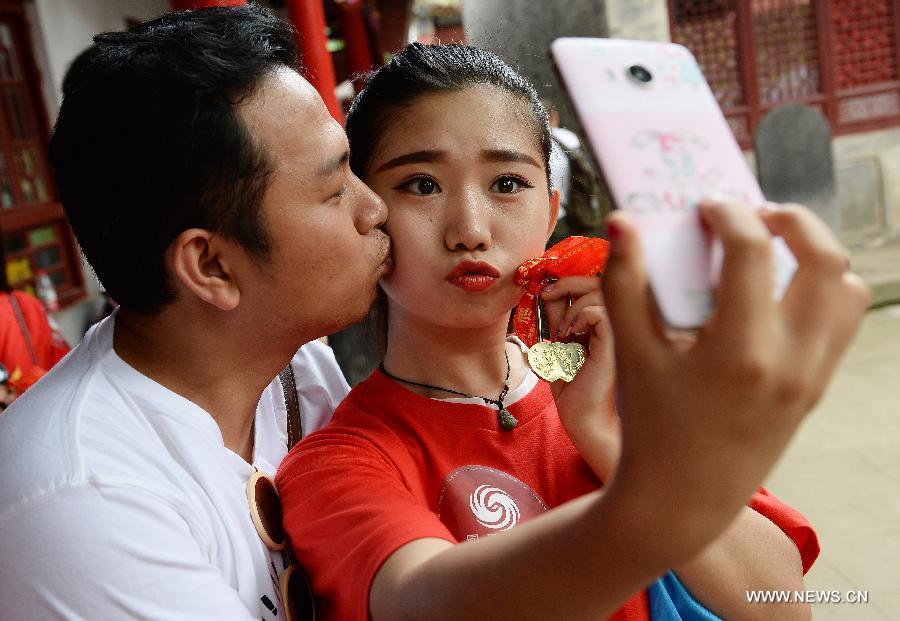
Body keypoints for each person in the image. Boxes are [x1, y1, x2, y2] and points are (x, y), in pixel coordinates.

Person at [276, 43, 869, 621]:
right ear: (365, 211)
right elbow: (429, 601)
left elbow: (781, 606)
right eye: (421, 184)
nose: (470, 229)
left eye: (507, 183)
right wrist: (656, 495)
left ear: (552, 209)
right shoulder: (340, 462)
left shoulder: (624, 383)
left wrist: (607, 438)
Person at [0, 5, 390, 619]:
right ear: (210, 266)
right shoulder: (89, 495)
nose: (374, 210)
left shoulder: (298, 366)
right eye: (335, 189)